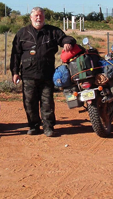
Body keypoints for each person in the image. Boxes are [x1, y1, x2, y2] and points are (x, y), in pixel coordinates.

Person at [10, 7, 76, 137]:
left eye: (41, 16)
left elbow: (65, 38)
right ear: (31, 17)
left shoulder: (52, 31)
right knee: (29, 102)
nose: (38, 18)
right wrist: (15, 72)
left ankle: (48, 127)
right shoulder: (22, 33)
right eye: (36, 16)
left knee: (47, 102)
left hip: (46, 74)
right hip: (28, 74)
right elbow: (15, 55)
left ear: (44, 18)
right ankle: (33, 126)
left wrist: (67, 42)